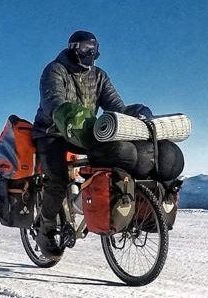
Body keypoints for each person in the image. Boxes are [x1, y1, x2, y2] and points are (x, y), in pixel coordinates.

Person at [32, 30, 149, 260]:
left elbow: (115, 106)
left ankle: (102, 207)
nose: (89, 53)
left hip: (86, 133)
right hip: (51, 133)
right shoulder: (55, 70)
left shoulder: (99, 76)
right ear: (73, 48)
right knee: (57, 180)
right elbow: (53, 102)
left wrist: (132, 116)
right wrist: (64, 114)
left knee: (107, 167)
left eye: (93, 48)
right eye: (84, 48)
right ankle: (45, 230)